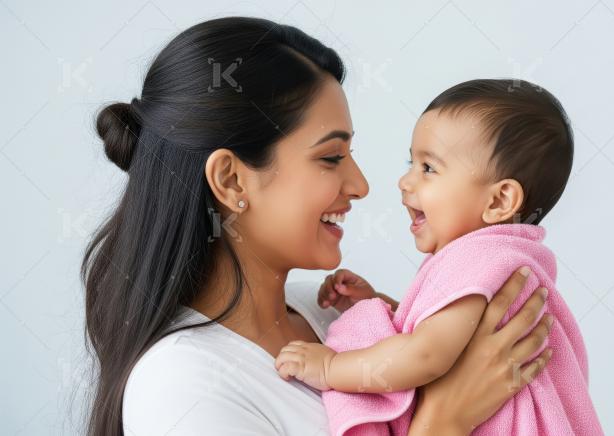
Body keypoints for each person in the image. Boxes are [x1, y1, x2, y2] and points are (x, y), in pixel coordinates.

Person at [83, 17, 554, 436]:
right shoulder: (182, 385)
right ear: (230, 179)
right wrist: (446, 421)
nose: (363, 185)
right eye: (330, 157)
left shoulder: (333, 315)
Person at [276, 79, 603, 435]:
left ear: (498, 201)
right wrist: (379, 304)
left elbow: (428, 355)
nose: (405, 180)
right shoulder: (500, 260)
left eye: (428, 168)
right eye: (410, 163)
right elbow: (449, 333)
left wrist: (332, 368)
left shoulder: (481, 258)